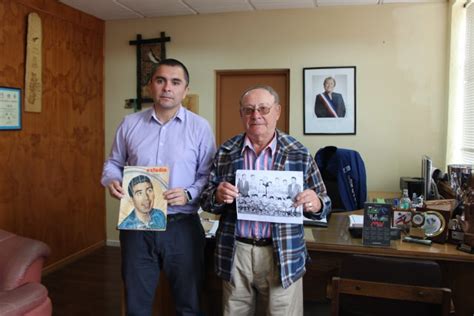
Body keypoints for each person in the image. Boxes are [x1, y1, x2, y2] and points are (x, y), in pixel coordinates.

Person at [201, 85, 331, 316]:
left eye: (263, 108)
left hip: (282, 251)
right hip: (236, 250)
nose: (256, 115)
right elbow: (207, 201)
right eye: (248, 109)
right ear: (241, 114)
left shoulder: (298, 152)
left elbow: (324, 204)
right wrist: (217, 195)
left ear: (277, 111)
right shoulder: (226, 152)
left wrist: (316, 203)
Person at [101, 58, 216, 316]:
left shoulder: (200, 127)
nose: (167, 88)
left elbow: (208, 175)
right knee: (136, 304)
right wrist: (112, 180)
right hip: (137, 228)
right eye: (160, 80)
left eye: (176, 82)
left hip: (182, 226)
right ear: (150, 86)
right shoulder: (129, 124)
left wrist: (188, 193)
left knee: (189, 304)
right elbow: (113, 163)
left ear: (185, 91)